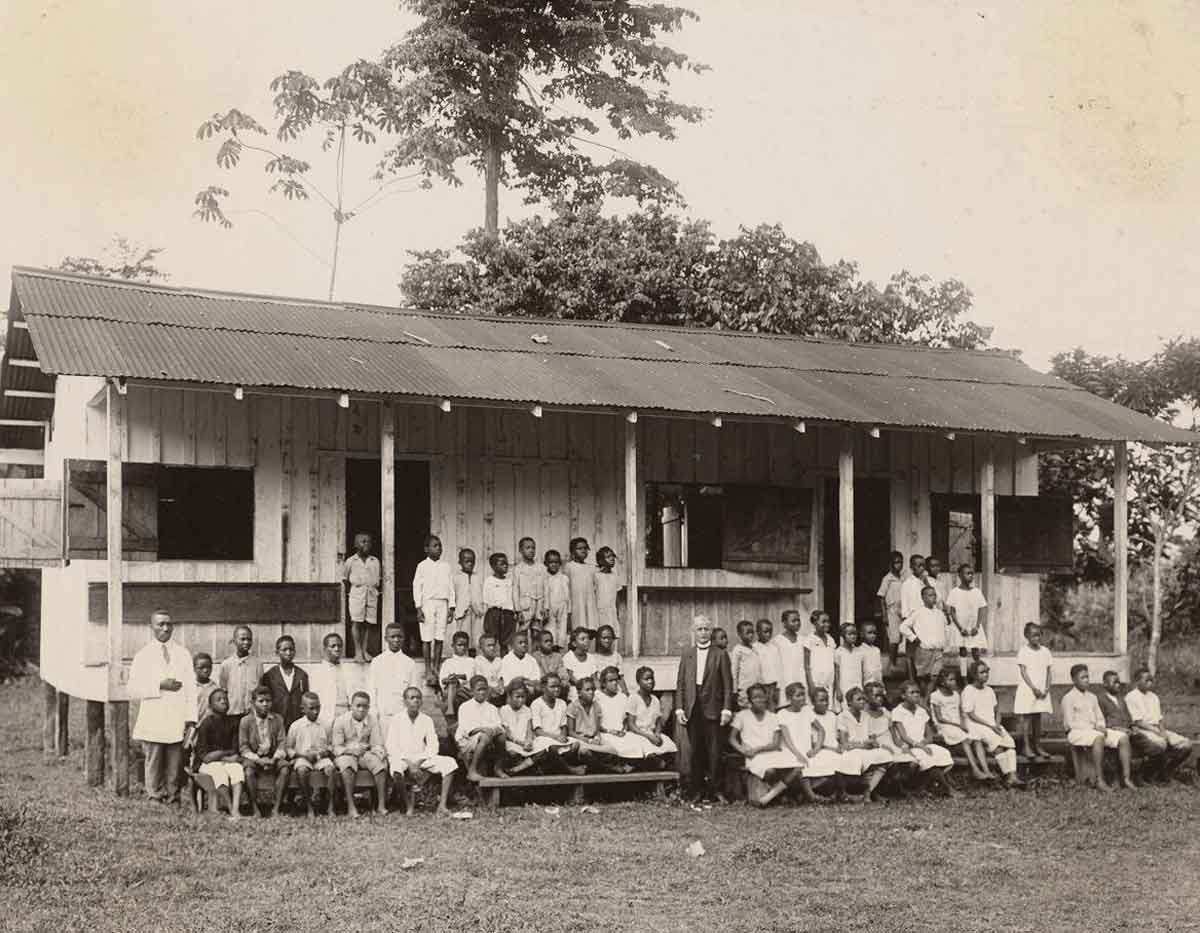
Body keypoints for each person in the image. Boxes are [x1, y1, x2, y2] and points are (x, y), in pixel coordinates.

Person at [128, 610, 196, 804]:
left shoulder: (182, 654)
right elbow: (132, 689)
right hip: (154, 715)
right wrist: (159, 685)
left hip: (176, 715)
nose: (165, 628)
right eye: (161, 624)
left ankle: (174, 796)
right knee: (154, 758)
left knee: (175, 759)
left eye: (169, 624)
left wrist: (191, 718)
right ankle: (155, 795)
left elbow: (191, 688)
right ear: (152, 627)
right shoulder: (144, 655)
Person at [675, 615, 735, 802]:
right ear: (693, 631)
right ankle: (697, 791)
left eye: (706, 629)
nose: (703, 633)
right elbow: (681, 684)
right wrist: (679, 708)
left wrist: (726, 709)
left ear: (711, 631)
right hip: (693, 707)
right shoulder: (687, 654)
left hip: (713, 708)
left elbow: (727, 684)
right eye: (699, 629)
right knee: (696, 752)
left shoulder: (720, 654)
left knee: (715, 751)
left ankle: (715, 790)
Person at [385, 686, 458, 815]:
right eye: (412, 698)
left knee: (450, 763)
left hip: (422, 757)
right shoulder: (397, 719)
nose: (416, 701)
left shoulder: (426, 719)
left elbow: (433, 745)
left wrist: (419, 761)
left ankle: (442, 805)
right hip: (402, 758)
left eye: (418, 698)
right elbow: (391, 745)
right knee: (396, 769)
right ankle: (407, 804)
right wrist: (408, 762)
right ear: (405, 701)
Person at [729, 683, 802, 807]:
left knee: (797, 768)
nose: (759, 700)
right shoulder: (742, 716)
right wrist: (743, 751)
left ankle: (768, 797)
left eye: (762, 697)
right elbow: (731, 739)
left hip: (770, 753)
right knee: (770, 771)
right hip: (754, 757)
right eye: (755, 697)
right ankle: (775, 794)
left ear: (766, 698)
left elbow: (775, 743)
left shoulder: (773, 717)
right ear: (750, 700)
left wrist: (759, 748)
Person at [1060, 664, 1124, 790]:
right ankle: (1100, 780)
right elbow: (1069, 723)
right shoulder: (1068, 698)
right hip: (1076, 732)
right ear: (1074, 680)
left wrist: (1100, 726)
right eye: (1083, 677)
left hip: (1093, 731)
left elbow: (1099, 718)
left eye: (1088, 677)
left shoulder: (1092, 697)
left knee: (1122, 738)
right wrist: (1093, 728)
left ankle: (1124, 778)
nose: (1087, 680)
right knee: (1098, 737)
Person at [1124, 668, 1193, 782]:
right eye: (1146, 680)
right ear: (1137, 681)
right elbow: (1137, 722)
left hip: (1157, 729)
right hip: (1143, 730)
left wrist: (1163, 731)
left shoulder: (1154, 697)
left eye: (1151, 679)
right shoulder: (1131, 697)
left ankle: (1166, 770)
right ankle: (1147, 773)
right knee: (1161, 744)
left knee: (1186, 744)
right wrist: (1157, 732)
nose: (1149, 682)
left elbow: (1159, 719)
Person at [961, 662, 1023, 788]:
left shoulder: (989, 690)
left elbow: (997, 711)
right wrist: (990, 726)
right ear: (974, 675)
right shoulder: (968, 690)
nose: (985, 674)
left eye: (987, 671)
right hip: (977, 724)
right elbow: (971, 714)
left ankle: (1013, 777)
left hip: (992, 724)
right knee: (998, 746)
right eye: (982, 672)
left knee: (1009, 743)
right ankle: (1008, 776)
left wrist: (997, 724)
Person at [890, 681, 956, 795]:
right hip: (909, 746)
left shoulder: (921, 711)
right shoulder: (898, 712)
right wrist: (919, 745)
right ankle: (948, 788)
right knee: (927, 758)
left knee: (943, 753)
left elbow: (929, 734)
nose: (916, 695)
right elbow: (903, 736)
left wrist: (925, 743)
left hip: (923, 744)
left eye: (917, 692)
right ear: (903, 696)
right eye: (912, 692)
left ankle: (925, 786)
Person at [190, 688, 247, 820]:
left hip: (226, 760)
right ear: (211, 705)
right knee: (219, 771)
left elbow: (234, 749)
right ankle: (230, 807)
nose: (223, 702)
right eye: (219, 700)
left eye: (225, 699)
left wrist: (220, 755)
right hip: (207, 764)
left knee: (237, 769)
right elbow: (205, 756)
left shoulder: (232, 722)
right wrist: (223, 753)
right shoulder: (206, 723)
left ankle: (236, 808)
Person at [331, 691, 388, 817]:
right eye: (358, 706)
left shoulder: (372, 720)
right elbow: (336, 747)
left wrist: (379, 753)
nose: (361, 709)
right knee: (347, 766)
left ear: (369, 707)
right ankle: (351, 807)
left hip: (365, 753)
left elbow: (376, 743)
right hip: (346, 753)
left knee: (380, 765)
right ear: (351, 706)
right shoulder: (341, 720)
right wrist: (351, 751)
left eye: (365, 706)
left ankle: (381, 805)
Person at [238, 685, 291, 818]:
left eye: (268, 701)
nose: (265, 704)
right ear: (253, 703)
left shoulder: (277, 719)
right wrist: (258, 760)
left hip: (273, 756)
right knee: (248, 772)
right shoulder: (246, 721)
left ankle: (276, 808)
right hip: (254, 757)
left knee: (285, 769)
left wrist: (274, 759)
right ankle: (254, 807)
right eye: (261, 701)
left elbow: (282, 743)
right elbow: (243, 747)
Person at [929, 668, 989, 781]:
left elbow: (960, 712)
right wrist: (958, 725)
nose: (954, 682)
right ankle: (975, 769)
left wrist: (962, 723)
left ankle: (986, 770)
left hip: (957, 724)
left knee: (976, 739)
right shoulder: (935, 696)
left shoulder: (956, 694)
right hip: (944, 725)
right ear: (942, 682)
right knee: (965, 740)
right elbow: (939, 718)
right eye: (950, 680)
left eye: (954, 680)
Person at [836, 686, 893, 803]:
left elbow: (871, 736)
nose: (862, 702)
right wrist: (862, 746)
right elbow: (844, 743)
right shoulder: (842, 716)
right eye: (859, 699)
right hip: (852, 750)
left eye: (863, 699)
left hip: (866, 749)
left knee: (885, 756)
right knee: (858, 758)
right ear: (849, 703)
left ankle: (868, 792)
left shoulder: (866, 715)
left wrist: (874, 743)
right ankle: (864, 794)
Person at [369, 622, 423, 737]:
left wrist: (410, 714)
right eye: (392, 637)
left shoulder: (410, 663)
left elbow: (414, 692)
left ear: (403, 639)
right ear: (386, 639)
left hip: (403, 716)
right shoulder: (377, 662)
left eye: (399, 636)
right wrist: (374, 714)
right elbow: (371, 689)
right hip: (382, 716)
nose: (396, 640)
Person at [286, 692, 335, 819]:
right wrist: (302, 755)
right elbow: (289, 748)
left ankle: (329, 805)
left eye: (318, 707)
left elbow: (330, 745)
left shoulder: (325, 724)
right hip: (303, 757)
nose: (316, 711)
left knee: (331, 769)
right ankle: (309, 806)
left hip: (320, 758)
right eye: (311, 708)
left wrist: (324, 752)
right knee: (302, 770)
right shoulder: (296, 726)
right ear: (303, 709)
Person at [413, 534, 455, 675]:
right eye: (435, 546)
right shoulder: (422, 566)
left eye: (440, 546)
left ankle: (436, 666)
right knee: (427, 637)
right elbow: (416, 587)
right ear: (427, 549)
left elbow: (450, 587)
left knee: (439, 636)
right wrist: (419, 608)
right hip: (427, 604)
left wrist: (451, 607)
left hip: (442, 603)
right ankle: (427, 667)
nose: (439, 548)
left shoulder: (446, 566)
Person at [898, 586, 948, 697]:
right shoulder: (918, 612)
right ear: (923, 598)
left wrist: (944, 643)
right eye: (930, 595)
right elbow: (903, 627)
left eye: (934, 595)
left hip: (938, 650)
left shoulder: (939, 613)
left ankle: (926, 699)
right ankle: (923, 698)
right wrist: (914, 638)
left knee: (935, 676)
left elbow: (944, 628)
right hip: (924, 650)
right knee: (923, 677)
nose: (933, 598)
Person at [1014, 623, 1054, 760]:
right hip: (1028, 688)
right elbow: (1023, 672)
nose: (1037, 638)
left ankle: (1037, 745)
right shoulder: (1024, 651)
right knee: (1027, 718)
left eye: (1039, 635)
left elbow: (1049, 672)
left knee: (1038, 718)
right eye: (1033, 635)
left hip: (1042, 689)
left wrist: (1047, 688)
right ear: (1027, 636)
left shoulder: (1045, 652)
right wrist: (1033, 688)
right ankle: (1026, 747)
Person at [455, 675, 506, 781]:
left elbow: (498, 724)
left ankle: (498, 768)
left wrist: (493, 730)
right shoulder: (465, 707)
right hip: (467, 740)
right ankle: (472, 771)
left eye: (484, 689)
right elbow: (466, 728)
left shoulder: (491, 708)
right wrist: (483, 729)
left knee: (501, 736)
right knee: (485, 736)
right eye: (479, 690)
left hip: (488, 738)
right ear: (472, 691)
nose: (482, 692)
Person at [529, 673, 581, 770]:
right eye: (552, 686)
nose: (556, 689)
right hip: (543, 738)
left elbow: (564, 725)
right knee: (552, 748)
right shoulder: (536, 704)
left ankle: (553, 766)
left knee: (575, 744)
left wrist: (563, 735)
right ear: (543, 687)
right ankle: (569, 769)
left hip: (559, 738)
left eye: (558, 686)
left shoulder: (562, 703)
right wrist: (556, 737)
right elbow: (537, 731)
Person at [625, 666, 678, 763]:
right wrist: (649, 736)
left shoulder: (655, 700)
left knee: (670, 746)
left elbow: (658, 721)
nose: (650, 681)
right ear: (638, 682)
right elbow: (631, 725)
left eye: (652, 678)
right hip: (638, 734)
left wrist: (657, 734)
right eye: (646, 679)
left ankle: (661, 762)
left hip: (651, 732)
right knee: (647, 749)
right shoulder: (634, 698)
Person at [343, 531, 381, 661]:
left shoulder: (374, 561)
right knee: (357, 622)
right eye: (363, 541)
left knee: (368, 623)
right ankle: (358, 651)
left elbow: (377, 579)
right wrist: (353, 591)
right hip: (356, 594)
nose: (367, 544)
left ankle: (365, 650)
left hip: (371, 594)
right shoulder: (350, 561)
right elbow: (345, 579)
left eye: (369, 542)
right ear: (355, 544)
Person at [945, 563, 988, 679]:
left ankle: (979, 675)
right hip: (961, 627)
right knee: (963, 650)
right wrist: (960, 628)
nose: (970, 576)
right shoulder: (954, 592)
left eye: (971, 573)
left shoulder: (977, 592)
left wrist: (977, 627)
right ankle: (964, 677)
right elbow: (952, 611)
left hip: (974, 627)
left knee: (975, 651)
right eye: (967, 573)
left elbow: (982, 609)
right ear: (960, 575)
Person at [596, 666, 643, 765]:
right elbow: (594, 721)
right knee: (612, 746)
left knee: (636, 742)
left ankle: (630, 765)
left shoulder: (622, 697)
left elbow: (626, 720)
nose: (614, 683)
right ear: (604, 683)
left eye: (616, 680)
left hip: (621, 732)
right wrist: (609, 731)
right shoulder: (597, 697)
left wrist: (624, 730)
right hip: (605, 732)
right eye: (610, 680)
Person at [260, 634, 309, 729]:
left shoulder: (302, 675)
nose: (288, 652)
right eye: (284, 650)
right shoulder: (269, 676)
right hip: (276, 723)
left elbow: (305, 699)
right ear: (277, 652)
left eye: (291, 649)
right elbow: (265, 699)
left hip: (297, 722)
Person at [566, 676, 615, 769]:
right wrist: (588, 740)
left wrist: (597, 738)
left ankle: (598, 764)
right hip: (580, 740)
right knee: (584, 752)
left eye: (593, 689)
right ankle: (607, 768)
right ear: (579, 693)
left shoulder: (596, 706)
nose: (591, 692)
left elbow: (597, 730)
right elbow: (571, 732)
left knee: (612, 749)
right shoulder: (573, 707)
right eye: (587, 690)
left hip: (593, 740)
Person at [309, 632, 357, 726]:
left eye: (339, 646)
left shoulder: (348, 670)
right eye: (333, 646)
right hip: (325, 718)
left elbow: (353, 695)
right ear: (325, 649)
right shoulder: (316, 672)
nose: (337, 649)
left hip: (345, 716)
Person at [498, 682, 542, 775]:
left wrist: (529, 741)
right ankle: (526, 766)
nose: (521, 700)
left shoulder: (527, 710)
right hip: (512, 742)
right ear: (510, 696)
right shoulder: (504, 710)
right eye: (517, 697)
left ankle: (517, 769)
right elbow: (507, 733)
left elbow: (529, 730)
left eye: (523, 697)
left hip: (524, 742)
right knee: (513, 753)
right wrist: (521, 743)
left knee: (542, 750)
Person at [217, 625, 261, 717]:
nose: (246, 642)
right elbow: (223, 690)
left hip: (251, 715)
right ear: (234, 641)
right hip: (232, 714)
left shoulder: (257, 664)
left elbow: (259, 691)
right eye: (242, 639)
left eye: (249, 639)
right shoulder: (226, 664)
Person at [512, 536, 547, 637]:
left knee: (537, 633)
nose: (531, 550)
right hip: (525, 606)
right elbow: (515, 590)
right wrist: (518, 610)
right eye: (527, 548)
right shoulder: (518, 569)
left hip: (539, 604)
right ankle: (523, 652)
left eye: (533, 548)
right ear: (520, 550)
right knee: (522, 632)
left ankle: (535, 652)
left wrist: (546, 607)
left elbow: (546, 588)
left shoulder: (541, 568)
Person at [876, 550, 906, 669]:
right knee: (893, 638)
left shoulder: (903, 578)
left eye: (900, 562)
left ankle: (895, 661)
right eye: (896, 562)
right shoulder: (887, 578)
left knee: (899, 637)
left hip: (902, 610)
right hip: (892, 610)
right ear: (891, 564)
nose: (899, 565)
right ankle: (892, 663)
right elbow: (881, 597)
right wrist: (884, 614)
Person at [772, 610, 807, 708]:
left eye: (798, 620)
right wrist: (777, 687)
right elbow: (774, 666)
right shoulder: (777, 641)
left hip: (800, 679)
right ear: (784, 623)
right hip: (784, 681)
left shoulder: (804, 640)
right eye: (793, 621)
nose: (797, 623)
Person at [482, 552, 517, 651]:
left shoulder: (509, 581)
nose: (505, 565)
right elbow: (487, 599)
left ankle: (504, 661)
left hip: (508, 614)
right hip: (494, 613)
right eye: (502, 563)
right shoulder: (489, 581)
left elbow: (512, 598)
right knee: (492, 639)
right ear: (493, 566)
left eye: (506, 563)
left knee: (506, 641)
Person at [452, 547, 486, 649]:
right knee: (462, 638)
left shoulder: (478, 577)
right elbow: (453, 595)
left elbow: (482, 594)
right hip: (462, 613)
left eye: (472, 561)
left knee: (476, 639)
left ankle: (473, 659)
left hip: (477, 613)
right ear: (460, 562)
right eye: (467, 561)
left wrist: (481, 609)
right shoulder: (456, 578)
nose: (470, 564)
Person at [564, 537, 598, 633]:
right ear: (573, 551)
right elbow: (566, 587)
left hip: (589, 604)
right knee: (578, 628)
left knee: (590, 629)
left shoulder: (591, 568)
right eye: (579, 549)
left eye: (585, 548)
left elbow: (595, 587)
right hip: (576, 604)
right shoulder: (569, 567)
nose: (583, 551)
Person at [805, 611, 838, 709]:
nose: (827, 624)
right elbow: (806, 666)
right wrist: (811, 685)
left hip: (829, 683)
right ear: (815, 623)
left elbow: (834, 663)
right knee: (815, 710)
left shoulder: (831, 640)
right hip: (816, 683)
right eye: (823, 621)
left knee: (828, 709)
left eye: (828, 621)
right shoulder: (809, 640)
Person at [439, 631, 476, 718]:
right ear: (453, 646)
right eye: (459, 645)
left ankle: (450, 709)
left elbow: (468, 677)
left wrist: (456, 677)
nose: (463, 648)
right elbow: (442, 680)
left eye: (465, 645)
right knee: (452, 683)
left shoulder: (471, 661)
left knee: (454, 683)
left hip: (466, 691)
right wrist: (449, 679)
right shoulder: (448, 662)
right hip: (450, 690)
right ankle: (450, 708)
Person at [499, 629, 542, 699]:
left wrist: (527, 682)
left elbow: (536, 680)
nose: (524, 645)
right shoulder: (506, 660)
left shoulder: (532, 660)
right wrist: (517, 681)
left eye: (525, 643)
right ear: (512, 646)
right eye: (520, 643)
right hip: (512, 692)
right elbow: (506, 683)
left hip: (529, 692)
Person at [730, 619, 763, 709]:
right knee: (745, 712)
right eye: (747, 633)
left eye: (752, 632)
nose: (751, 635)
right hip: (744, 689)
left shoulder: (754, 649)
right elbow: (734, 672)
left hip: (756, 688)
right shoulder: (738, 650)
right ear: (739, 634)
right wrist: (735, 690)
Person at [543, 549, 572, 647]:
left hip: (562, 607)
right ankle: (551, 648)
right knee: (550, 630)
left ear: (560, 563)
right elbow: (545, 594)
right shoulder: (545, 578)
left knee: (562, 631)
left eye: (556, 562)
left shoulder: (564, 578)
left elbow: (568, 596)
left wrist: (569, 610)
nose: (553, 565)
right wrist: (545, 608)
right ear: (546, 563)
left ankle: (559, 650)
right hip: (550, 607)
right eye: (551, 562)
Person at [562, 626, 599, 701]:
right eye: (583, 639)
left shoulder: (591, 658)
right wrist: (584, 687)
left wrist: (599, 689)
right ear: (574, 643)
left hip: (590, 688)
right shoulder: (569, 657)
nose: (587, 641)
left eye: (588, 638)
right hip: (576, 689)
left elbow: (594, 678)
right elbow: (571, 678)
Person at [833, 622, 864, 709]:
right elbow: (837, 672)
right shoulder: (839, 652)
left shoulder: (859, 651)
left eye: (855, 634)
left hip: (857, 685)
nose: (853, 636)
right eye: (850, 634)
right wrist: (838, 690)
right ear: (843, 635)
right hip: (844, 686)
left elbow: (861, 671)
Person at [753, 618, 781, 709]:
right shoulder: (754, 648)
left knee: (772, 709)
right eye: (765, 631)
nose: (768, 634)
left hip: (773, 685)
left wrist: (778, 686)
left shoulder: (774, 648)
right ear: (758, 632)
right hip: (760, 685)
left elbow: (778, 667)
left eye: (770, 631)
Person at [594, 546, 621, 637]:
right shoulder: (596, 576)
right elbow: (593, 595)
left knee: (613, 634)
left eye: (613, 556)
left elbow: (617, 596)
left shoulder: (615, 576)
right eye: (608, 557)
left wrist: (617, 612)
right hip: (600, 611)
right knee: (601, 634)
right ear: (601, 561)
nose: (612, 558)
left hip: (612, 611)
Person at [593, 623, 626, 693]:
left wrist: (625, 692)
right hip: (600, 691)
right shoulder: (593, 658)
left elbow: (620, 679)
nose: (607, 641)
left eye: (609, 638)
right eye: (604, 638)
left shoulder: (617, 656)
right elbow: (595, 679)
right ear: (598, 639)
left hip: (616, 690)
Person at [473, 633, 506, 704]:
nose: (492, 648)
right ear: (481, 647)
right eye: (489, 646)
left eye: (493, 645)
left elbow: (501, 678)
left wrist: (500, 688)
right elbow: (480, 679)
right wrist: (492, 689)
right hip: (486, 691)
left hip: (498, 691)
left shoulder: (499, 660)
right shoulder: (477, 661)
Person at [859, 621, 884, 687]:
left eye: (874, 633)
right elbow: (859, 672)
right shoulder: (859, 651)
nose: (873, 636)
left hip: (877, 684)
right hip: (866, 685)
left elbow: (879, 670)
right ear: (862, 634)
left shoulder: (877, 650)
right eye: (869, 633)